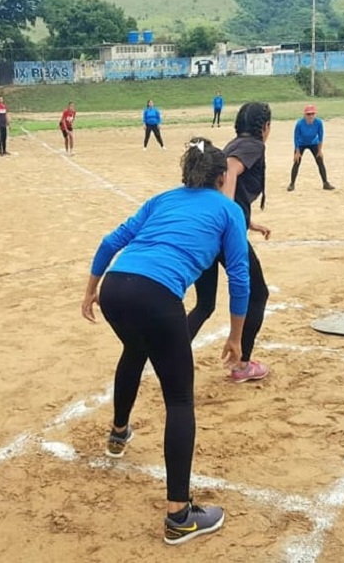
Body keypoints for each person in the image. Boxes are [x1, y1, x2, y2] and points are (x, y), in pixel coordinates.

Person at [82, 138, 249, 545]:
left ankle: (119, 433)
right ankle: (180, 516)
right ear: (221, 176)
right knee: (179, 399)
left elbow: (110, 242)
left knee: (135, 350)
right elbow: (239, 276)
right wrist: (237, 336)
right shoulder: (229, 209)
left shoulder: (162, 199)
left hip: (115, 290)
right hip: (155, 295)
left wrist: (91, 291)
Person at [187, 102, 274, 383]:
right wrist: (223, 217)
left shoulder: (232, 144)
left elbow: (224, 184)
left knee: (205, 305)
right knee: (257, 294)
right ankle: (242, 365)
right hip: (223, 233)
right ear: (264, 127)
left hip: (209, 232)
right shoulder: (252, 146)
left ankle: (167, 350)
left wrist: (248, 223)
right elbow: (232, 174)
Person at [289, 104, 333, 191]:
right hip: (301, 144)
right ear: (304, 115)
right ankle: (292, 184)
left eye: (312, 114)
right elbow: (296, 138)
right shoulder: (299, 124)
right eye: (308, 114)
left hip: (313, 143)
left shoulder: (319, 123)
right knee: (296, 162)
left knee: (320, 161)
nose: (310, 116)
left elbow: (320, 137)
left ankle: (325, 183)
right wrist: (297, 152)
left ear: (315, 114)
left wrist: (320, 150)